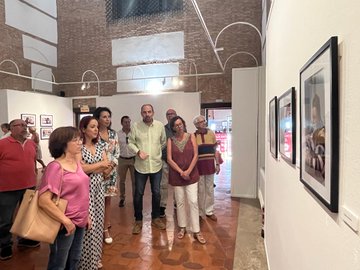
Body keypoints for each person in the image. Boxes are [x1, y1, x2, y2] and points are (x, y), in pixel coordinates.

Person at [38, 127, 90, 270]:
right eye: (75, 140)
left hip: (79, 220)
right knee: (58, 263)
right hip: (63, 223)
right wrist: (65, 220)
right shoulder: (55, 167)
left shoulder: (77, 164)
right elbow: (43, 200)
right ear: (63, 144)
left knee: (74, 259)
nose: (80, 142)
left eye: (80, 139)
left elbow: (81, 192)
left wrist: (86, 215)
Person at [0, 119, 39, 261]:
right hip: (7, 188)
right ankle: (5, 245)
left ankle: (24, 239)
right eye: (21, 125)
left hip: (29, 185)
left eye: (25, 125)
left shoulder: (31, 144)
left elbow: (33, 161)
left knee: (26, 215)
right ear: (11, 128)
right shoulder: (2, 144)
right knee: (5, 219)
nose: (24, 128)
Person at [78, 116, 113, 270]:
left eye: (97, 127)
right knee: (87, 226)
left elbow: (106, 170)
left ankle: (96, 258)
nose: (96, 129)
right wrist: (100, 165)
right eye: (92, 127)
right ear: (83, 129)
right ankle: (84, 262)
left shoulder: (100, 147)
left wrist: (99, 167)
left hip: (99, 188)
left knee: (98, 224)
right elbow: (81, 169)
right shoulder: (79, 147)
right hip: (84, 189)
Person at [128, 104, 167, 234]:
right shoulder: (135, 126)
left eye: (149, 111)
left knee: (157, 192)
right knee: (138, 194)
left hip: (156, 165)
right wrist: (138, 151)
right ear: (141, 113)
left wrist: (155, 153)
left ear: (153, 112)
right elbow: (130, 142)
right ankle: (138, 220)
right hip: (140, 166)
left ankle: (155, 218)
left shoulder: (160, 126)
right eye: (144, 112)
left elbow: (163, 142)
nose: (147, 114)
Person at [167, 116, 206, 244]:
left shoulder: (191, 137)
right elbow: (169, 159)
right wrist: (180, 172)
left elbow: (196, 155)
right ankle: (182, 227)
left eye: (181, 124)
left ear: (184, 124)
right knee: (180, 202)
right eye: (176, 125)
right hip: (177, 175)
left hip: (191, 175)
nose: (179, 126)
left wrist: (188, 171)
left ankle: (196, 230)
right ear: (173, 127)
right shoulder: (170, 140)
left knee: (193, 201)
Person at [93, 107, 120, 245]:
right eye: (104, 117)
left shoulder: (114, 134)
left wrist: (110, 168)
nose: (107, 119)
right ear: (97, 119)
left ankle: (105, 229)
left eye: (109, 116)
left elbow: (117, 153)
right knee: (95, 201)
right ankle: (94, 229)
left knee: (107, 201)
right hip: (96, 172)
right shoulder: (93, 134)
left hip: (111, 173)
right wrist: (101, 168)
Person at [193, 115, 220, 222]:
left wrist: (217, 164)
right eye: (201, 121)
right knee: (200, 190)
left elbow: (215, 150)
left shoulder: (211, 133)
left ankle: (209, 211)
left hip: (210, 165)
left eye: (204, 121)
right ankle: (200, 212)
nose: (204, 122)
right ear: (196, 125)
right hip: (199, 167)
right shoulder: (193, 136)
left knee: (209, 189)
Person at [160, 109, 177, 217]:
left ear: (176, 115)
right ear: (166, 116)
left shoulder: (180, 128)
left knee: (177, 185)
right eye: (168, 114)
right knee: (163, 185)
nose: (170, 116)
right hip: (165, 161)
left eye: (172, 114)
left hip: (177, 162)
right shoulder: (163, 129)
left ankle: (177, 204)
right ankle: (162, 206)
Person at [117, 116, 136, 208]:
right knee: (122, 181)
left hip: (133, 159)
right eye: (125, 122)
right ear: (122, 123)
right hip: (122, 159)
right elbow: (115, 147)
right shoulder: (118, 134)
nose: (127, 124)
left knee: (135, 181)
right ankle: (122, 198)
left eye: (129, 122)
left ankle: (135, 198)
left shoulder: (134, 133)